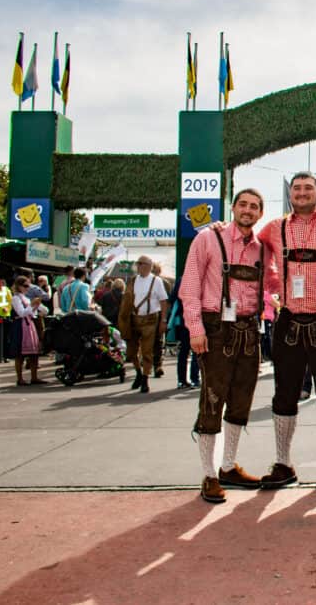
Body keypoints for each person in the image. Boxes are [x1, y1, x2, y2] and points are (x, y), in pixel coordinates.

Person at [254, 171, 316, 491]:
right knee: (284, 395)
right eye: (297, 188)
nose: (302, 192)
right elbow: (247, 242)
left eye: (308, 188)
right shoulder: (275, 228)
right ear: (291, 194)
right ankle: (283, 464)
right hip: (288, 320)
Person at [180, 188, 266, 503]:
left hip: (248, 329)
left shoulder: (261, 248)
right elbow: (189, 286)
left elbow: (269, 285)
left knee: (242, 399)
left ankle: (228, 466)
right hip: (215, 328)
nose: (248, 210)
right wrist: (195, 329)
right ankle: (209, 474)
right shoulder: (207, 238)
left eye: (254, 206)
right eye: (243, 204)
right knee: (213, 399)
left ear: (260, 213)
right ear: (233, 208)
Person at [118, 257, 169, 393]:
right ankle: (138, 373)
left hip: (151, 319)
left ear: (149, 266)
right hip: (134, 319)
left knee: (147, 351)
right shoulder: (133, 280)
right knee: (131, 351)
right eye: (138, 264)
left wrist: (164, 321)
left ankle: (145, 378)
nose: (139, 266)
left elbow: (164, 301)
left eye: (141, 264)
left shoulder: (156, 281)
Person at [11, 276, 47, 385]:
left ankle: (34, 377)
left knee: (34, 353)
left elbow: (43, 311)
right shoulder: (16, 298)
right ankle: (20, 378)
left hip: (29, 324)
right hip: (21, 326)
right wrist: (32, 305)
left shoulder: (25, 298)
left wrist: (37, 307)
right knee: (20, 354)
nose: (27, 288)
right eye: (25, 286)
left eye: (28, 286)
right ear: (18, 286)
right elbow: (21, 313)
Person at [167, 276, 199, 389]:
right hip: (197, 318)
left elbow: (172, 299)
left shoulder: (181, 280)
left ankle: (181, 380)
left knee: (184, 351)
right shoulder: (200, 278)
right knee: (196, 350)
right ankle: (195, 379)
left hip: (183, 319)